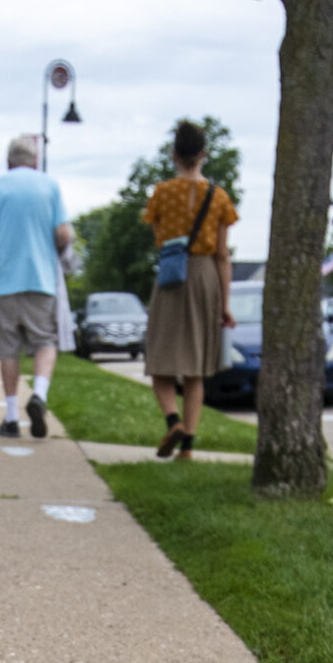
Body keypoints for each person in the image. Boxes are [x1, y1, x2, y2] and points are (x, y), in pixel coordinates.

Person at [141, 120, 237, 461]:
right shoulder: (220, 198)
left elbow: (157, 236)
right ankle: (188, 447)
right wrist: (225, 304)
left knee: (160, 359)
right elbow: (223, 255)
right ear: (203, 154)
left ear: (174, 155)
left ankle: (172, 420)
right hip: (204, 276)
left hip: (171, 274)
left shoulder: (162, 193)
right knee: (196, 366)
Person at [0, 132, 73, 438]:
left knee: (7, 350)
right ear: (35, 161)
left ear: (8, 161)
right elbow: (65, 234)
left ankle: (12, 417)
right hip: (42, 281)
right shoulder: (50, 185)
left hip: (4, 281)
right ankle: (40, 394)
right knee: (45, 342)